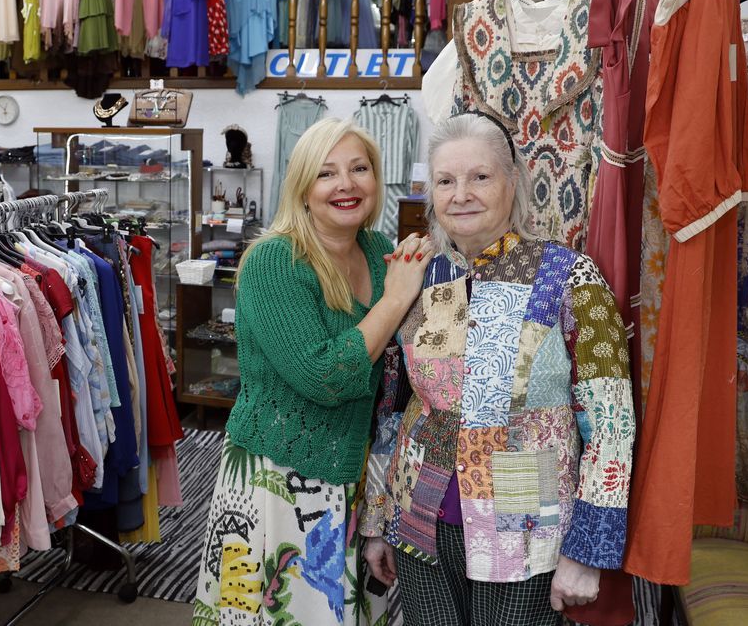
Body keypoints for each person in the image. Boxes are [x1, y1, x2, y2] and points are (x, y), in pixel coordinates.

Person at [360, 113, 637, 625]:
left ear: (514, 182)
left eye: (480, 177)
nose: (460, 193)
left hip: (524, 525)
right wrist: (378, 519)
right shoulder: (416, 276)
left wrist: (585, 553)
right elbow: (392, 404)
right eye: (445, 180)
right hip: (420, 514)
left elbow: (612, 423)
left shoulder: (568, 276)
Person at [194, 118, 434, 625]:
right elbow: (324, 376)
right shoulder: (274, 262)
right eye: (327, 174)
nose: (346, 185)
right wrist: (395, 299)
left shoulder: (375, 249)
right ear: (303, 188)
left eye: (359, 169)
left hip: (354, 474)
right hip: (279, 479)